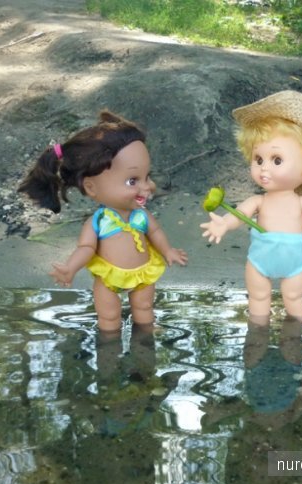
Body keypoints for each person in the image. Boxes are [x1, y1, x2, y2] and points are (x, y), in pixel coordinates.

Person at [19, 110, 188, 331]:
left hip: (143, 272)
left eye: (147, 177)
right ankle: (108, 342)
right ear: (91, 187)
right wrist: (71, 267)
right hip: (108, 277)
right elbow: (86, 248)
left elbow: (155, 233)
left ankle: (146, 336)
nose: (147, 187)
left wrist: (167, 251)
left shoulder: (141, 215)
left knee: (145, 307)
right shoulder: (98, 222)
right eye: (132, 181)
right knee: (108, 316)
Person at [201, 90, 302, 320]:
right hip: (259, 262)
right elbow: (240, 214)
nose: (264, 168)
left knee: (294, 297)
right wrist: (224, 224)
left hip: (295, 264)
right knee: (258, 298)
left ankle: (298, 322)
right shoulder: (258, 201)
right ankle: (258, 327)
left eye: (277, 160)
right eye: (258, 159)